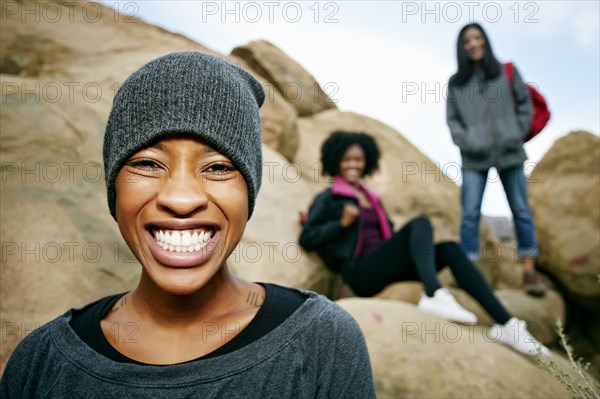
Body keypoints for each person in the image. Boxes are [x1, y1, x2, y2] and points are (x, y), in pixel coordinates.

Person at [0, 52, 376, 398]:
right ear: (113, 183)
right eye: (147, 164)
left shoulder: (323, 343)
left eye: (217, 168)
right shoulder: (41, 361)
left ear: (250, 192)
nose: (181, 199)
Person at [299, 131, 550, 357]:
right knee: (420, 222)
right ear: (336, 162)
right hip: (360, 272)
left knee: (450, 249)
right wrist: (340, 224)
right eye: (347, 159)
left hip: (384, 266)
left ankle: (507, 325)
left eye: (358, 159)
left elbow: (388, 237)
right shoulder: (329, 198)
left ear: (367, 162)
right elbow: (307, 237)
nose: (353, 164)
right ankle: (433, 294)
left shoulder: (371, 198)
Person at [446, 22, 545, 296]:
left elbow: (525, 103)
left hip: (510, 151)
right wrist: (468, 141)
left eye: (477, 38)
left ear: (486, 40)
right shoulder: (456, 84)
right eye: (467, 41)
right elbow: (452, 121)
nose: (473, 44)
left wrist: (516, 132)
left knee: (521, 211)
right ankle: (468, 271)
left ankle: (529, 271)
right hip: (473, 157)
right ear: (461, 48)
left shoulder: (506, 71)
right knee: (470, 214)